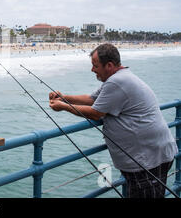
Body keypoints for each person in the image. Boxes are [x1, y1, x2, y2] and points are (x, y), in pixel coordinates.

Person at [48, 43, 177, 198]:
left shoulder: (117, 82)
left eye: (95, 66)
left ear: (109, 65)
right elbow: (92, 99)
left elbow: (96, 112)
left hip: (147, 159)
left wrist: (63, 107)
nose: (92, 70)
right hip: (153, 154)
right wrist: (65, 98)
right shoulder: (118, 78)